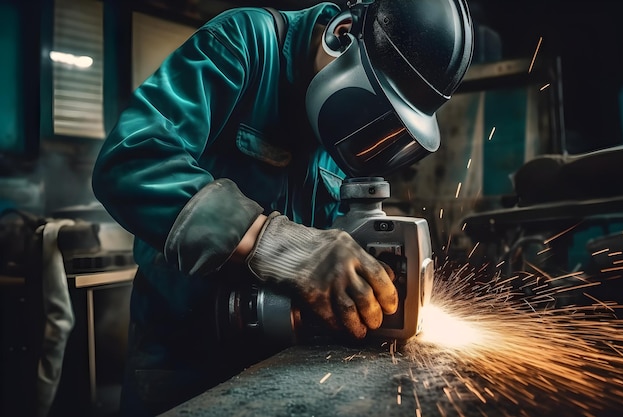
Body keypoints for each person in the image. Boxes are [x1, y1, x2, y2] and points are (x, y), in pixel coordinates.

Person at [91, 0, 474, 415]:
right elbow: (130, 161)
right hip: (180, 358)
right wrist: (275, 243)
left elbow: (332, 257)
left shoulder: (347, 135)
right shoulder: (245, 44)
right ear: (342, 34)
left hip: (280, 363)